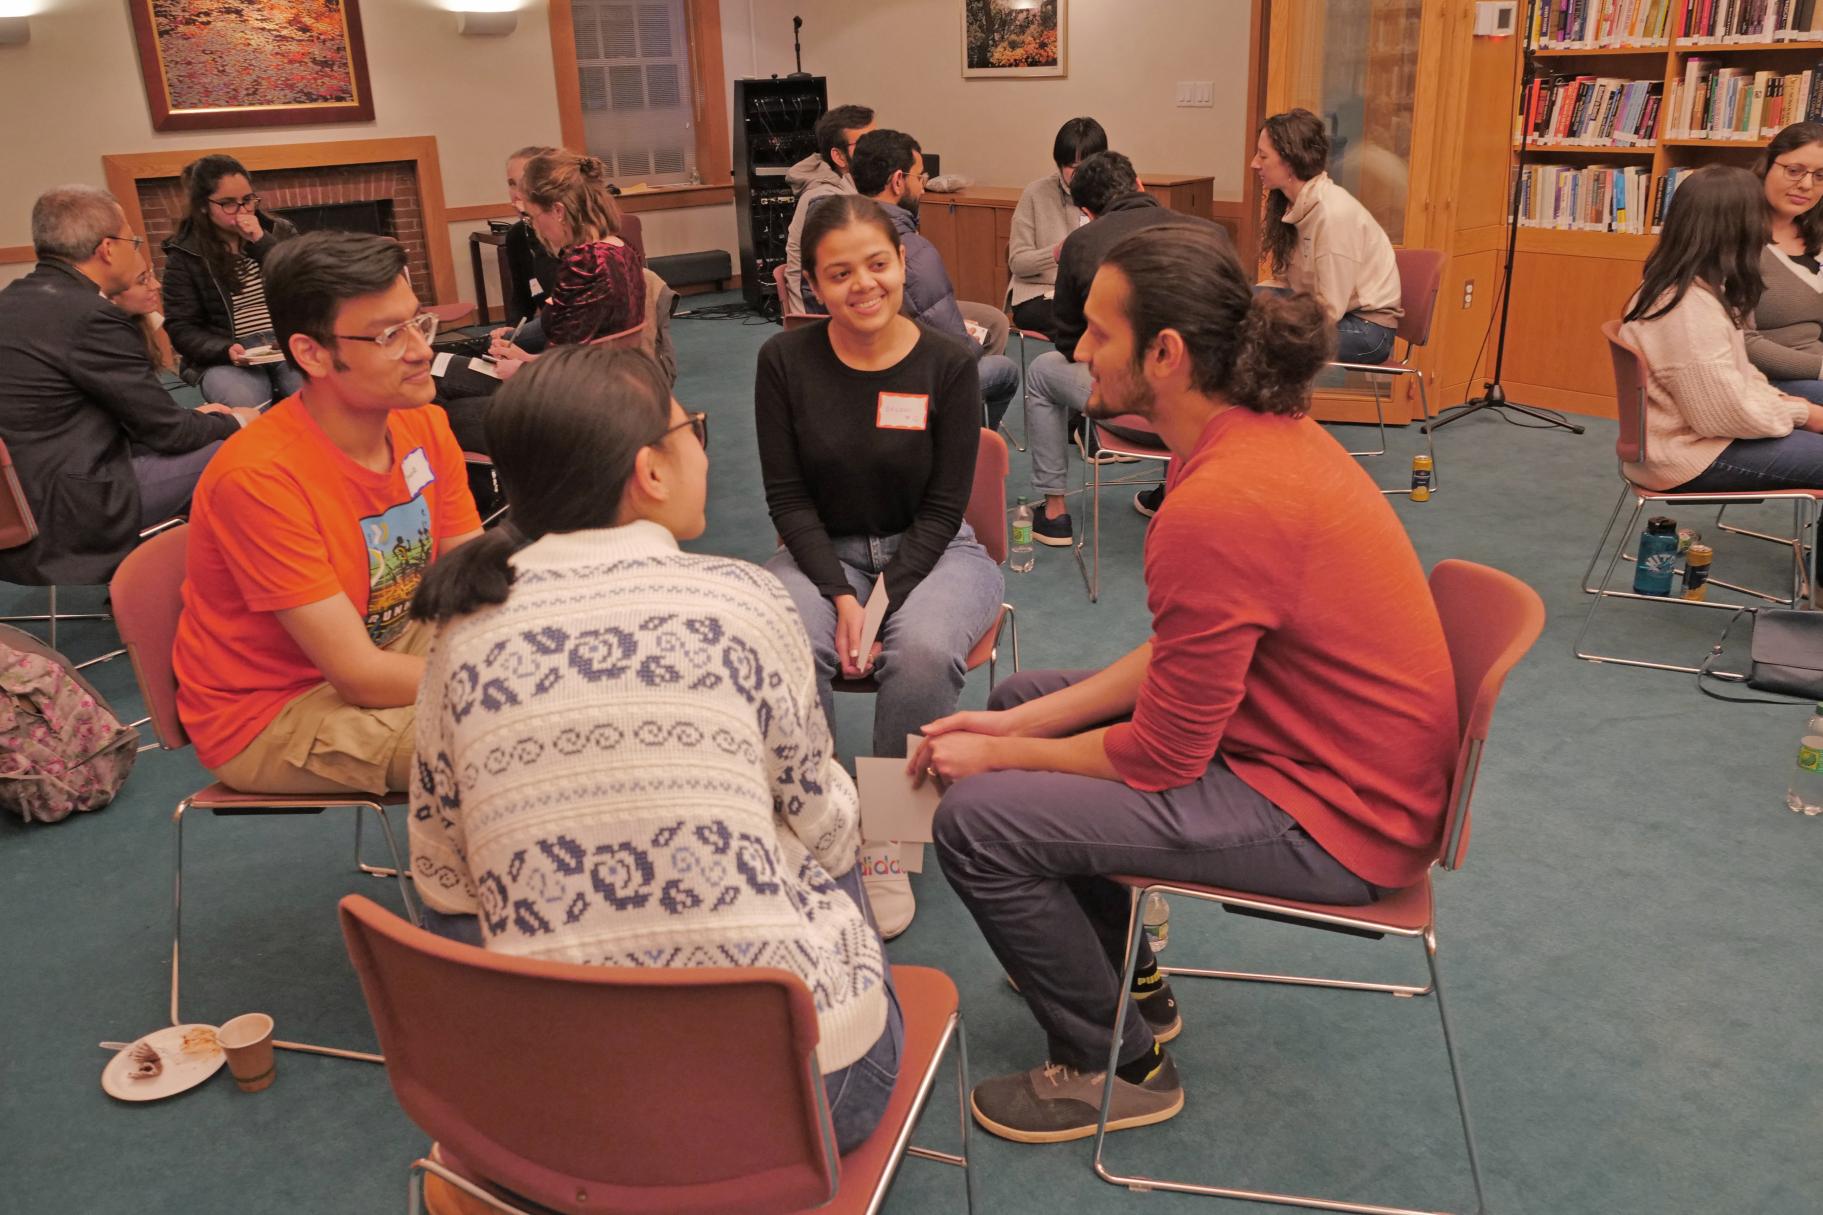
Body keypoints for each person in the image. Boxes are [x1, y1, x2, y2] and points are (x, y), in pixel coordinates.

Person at [911, 224, 1458, 1145]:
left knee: (977, 821)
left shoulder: (1219, 503)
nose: (1075, 348)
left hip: (1340, 816)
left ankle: (1115, 1064)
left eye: (1096, 332)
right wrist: (1017, 727)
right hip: (1317, 754)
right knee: (1011, 701)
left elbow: (1162, 754)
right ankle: (1130, 978)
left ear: (1164, 353)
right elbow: (1184, 653)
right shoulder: (1254, 439)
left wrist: (1001, 760)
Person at [406, 345, 901, 1155]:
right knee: (831, 826)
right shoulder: (743, 596)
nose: (701, 446)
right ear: (651, 471)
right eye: (691, 430)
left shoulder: (462, 627)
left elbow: (443, 877)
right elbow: (824, 824)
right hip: (804, 1098)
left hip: (551, 1117)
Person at [756, 194, 1005, 937]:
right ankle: (821, 821)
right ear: (811, 284)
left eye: (877, 264)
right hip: (820, 548)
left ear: (902, 264)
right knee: (779, 637)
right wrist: (838, 594)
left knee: (922, 651)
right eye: (839, 273)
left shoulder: (949, 362)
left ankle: (889, 839)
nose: (862, 284)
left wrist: (889, 592)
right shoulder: (783, 361)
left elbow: (944, 504)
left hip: (932, 550)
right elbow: (786, 495)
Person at [171, 231, 483, 796]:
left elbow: (473, 581)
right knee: (515, 738)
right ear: (312, 353)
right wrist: (514, 677)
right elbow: (359, 676)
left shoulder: (421, 422)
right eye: (389, 334)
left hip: (387, 646)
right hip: (275, 711)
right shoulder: (261, 477)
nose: (420, 350)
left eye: (418, 323)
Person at [0, 185, 252, 587]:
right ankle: (201, 592)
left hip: (16, 501)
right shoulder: (89, 316)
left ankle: (180, 584)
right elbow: (167, 432)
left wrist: (193, 418)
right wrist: (238, 422)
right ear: (107, 249)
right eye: (134, 241)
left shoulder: (12, 301)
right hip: (70, 508)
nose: (138, 252)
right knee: (235, 451)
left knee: (206, 438)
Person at [1021, 152, 1232, 542]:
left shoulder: (1081, 244)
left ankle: (1054, 513)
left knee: (1040, 371)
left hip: (1128, 411)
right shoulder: (1211, 234)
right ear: (1140, 185)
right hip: (1207, 414)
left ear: (1087, 210)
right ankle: (1170, 491)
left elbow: (1070, 344)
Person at [1620, 164, 1823, 495]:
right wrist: (1804, 414)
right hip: (1693, 452)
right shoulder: (1688, 309)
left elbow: (1740, 378)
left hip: (1701, 438)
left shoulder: (1695, 286)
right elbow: (1723, 414)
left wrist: (1788, 406)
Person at [440, 151, 647, 452]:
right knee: (447, 370)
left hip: (575, 403)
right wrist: (526, 360)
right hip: (608, 387)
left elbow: (572, 369)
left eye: (535, 217)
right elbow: (590, 349)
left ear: (559, 211)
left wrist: (522, 371)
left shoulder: (584, 261)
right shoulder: (619, 248)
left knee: (444, 405)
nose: (536, 227)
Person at [850, 129, 1021, 430]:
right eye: (921, 178)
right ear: (898, 180)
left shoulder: (836, 235)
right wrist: (971, 340)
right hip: (908, 384)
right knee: (1004, 370)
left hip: (858, 373)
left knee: (991, 320)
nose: (924, 189)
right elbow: (956, 348)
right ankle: (969, 442)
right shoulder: (912, 251)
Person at [1254, 108, 1403, 366]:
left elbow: (1329, 309)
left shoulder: (1333, 214)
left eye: (1263, 156)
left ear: (1290, 161)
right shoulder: (1293, 205)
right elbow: (1289, 285)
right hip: (1337, 316)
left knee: (1257, 335)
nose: (1254, 163)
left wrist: (1269, 316)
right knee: (1235, 307)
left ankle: (1277, 405)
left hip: (1367, 331)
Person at [161, 155, 304, 407]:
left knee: (311, 389)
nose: (242, 211)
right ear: (204, 205)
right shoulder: (185, 253)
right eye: (228, 203)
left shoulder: (278, 232)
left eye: (248, 200)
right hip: (227, 354)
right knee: (245, 400)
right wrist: (224, 349)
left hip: (283, 341)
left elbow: (304, 283)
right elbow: (181, 327)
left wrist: (261, 242)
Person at [1007, 116, 1107, 338]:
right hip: (1040, 294)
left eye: (1088, 167)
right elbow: (1017, 262)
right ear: (1060, 164)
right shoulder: (1035, 194)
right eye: (1073, 167)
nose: (1081, 175)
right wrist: (1055, 253)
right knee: (1081, 325)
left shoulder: (1111, 196)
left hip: (1096, 295)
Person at [1746, 123, 1823, 404]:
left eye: (1820, 176)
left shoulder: (1816, 235)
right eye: (1794, 170)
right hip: (1763, 377)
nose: (1806, 185)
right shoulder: (1737, 239)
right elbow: (1739, 340)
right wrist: (1819, 369)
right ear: (1767, 165)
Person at [783, 103, 875, 314]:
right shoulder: (824, 200)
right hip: (824, 321)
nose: (877, 150)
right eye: (865, 144)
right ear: (839, 157)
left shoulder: (855, 187)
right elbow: (835, 282)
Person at [108, 267, 174, 375]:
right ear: (111, 292)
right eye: (143, 279)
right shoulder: (103, 339)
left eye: (151, 275)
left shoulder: (141, 323)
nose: (156, 285)